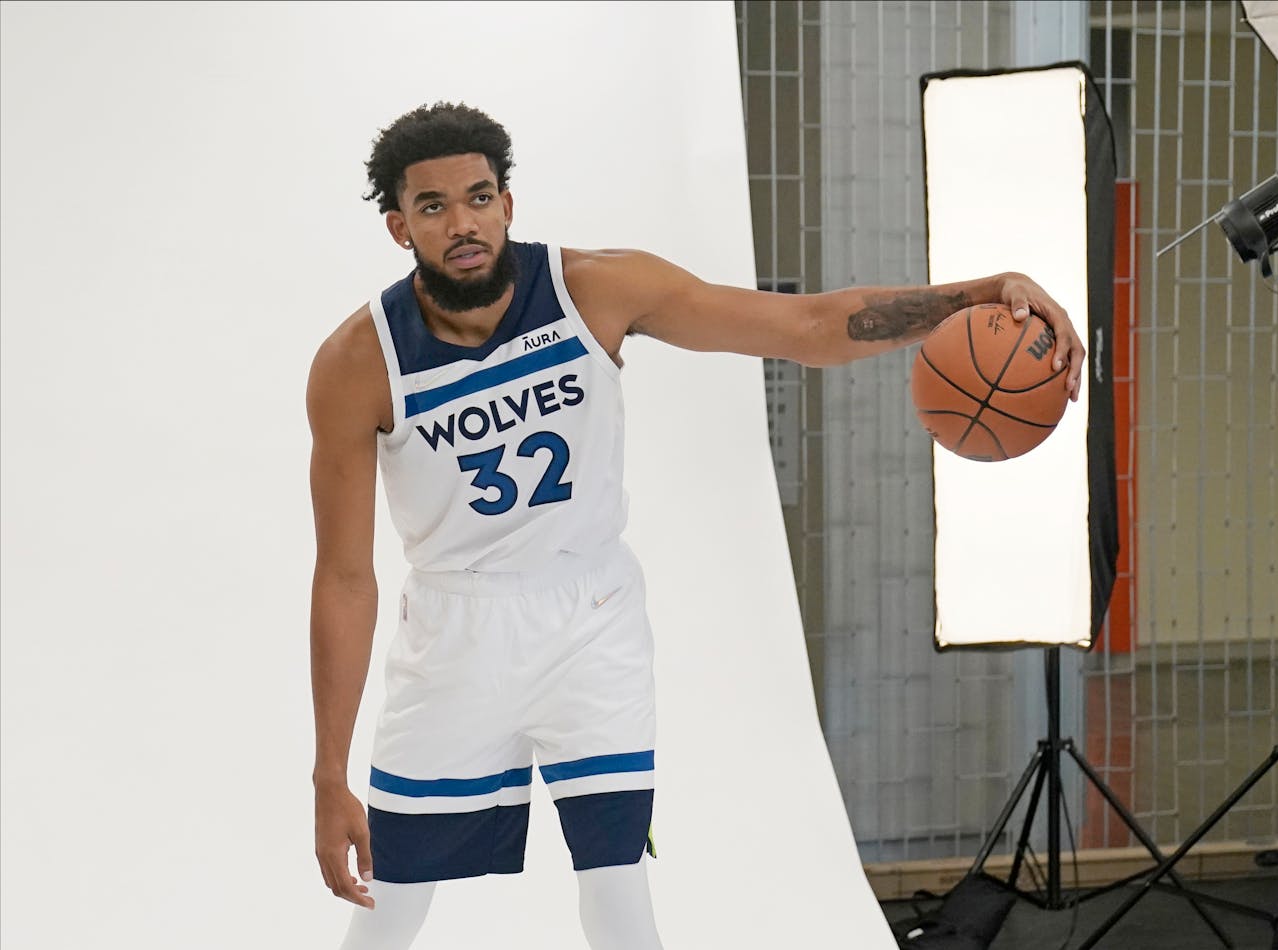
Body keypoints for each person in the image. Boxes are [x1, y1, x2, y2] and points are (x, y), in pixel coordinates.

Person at [308, 101, 1084, 950]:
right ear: (398, 227)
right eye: (433, 206)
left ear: (508, 202)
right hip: (457, 630)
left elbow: (809, 326)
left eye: (479, 196)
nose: (463, 222)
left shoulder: (593, 288)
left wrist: (981, 290)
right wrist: (330, 774)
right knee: (394, 893)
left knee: (615, 879)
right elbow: (345, 576)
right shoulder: (358, 363)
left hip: (590, 619)